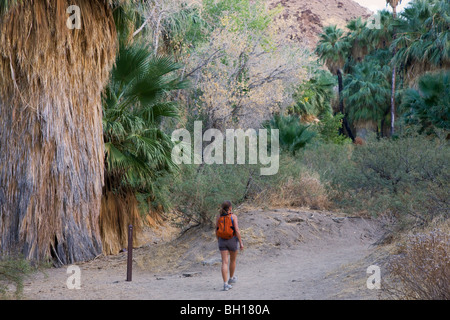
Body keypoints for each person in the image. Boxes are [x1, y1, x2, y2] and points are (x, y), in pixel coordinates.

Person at [216, 200, 244, 291]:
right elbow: (236, 230)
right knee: (233, 260)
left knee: (224, 262)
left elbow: (216, 230)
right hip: (232, 240)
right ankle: (231, 278)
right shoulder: (233, 216)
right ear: (230, 208)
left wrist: (218, 240)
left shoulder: (218, 216)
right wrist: (241, 242)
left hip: (222, 241)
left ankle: (225, 284)